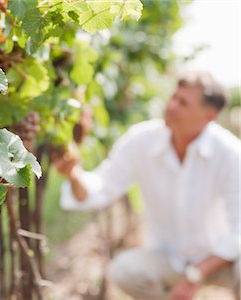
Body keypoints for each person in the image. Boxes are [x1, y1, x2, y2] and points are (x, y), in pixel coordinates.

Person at [53, 71, 240, 300]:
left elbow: (239, 229)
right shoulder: (141, 140)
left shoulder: (229, 154)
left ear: (209, 116)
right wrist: (74, 175)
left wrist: (196, 275)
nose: (171, 106)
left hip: (220, 261)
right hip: (170, 261)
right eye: (174, 97)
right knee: (125, 271)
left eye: (183, 103)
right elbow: (102, 187)